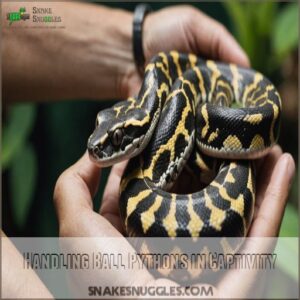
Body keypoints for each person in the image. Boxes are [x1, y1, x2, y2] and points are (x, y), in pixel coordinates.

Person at [2, 2, 295, 298]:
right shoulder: (167, 100)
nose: (98, 145)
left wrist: (136, 42)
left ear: (146, 122)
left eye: (117, 139)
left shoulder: (173, 93)